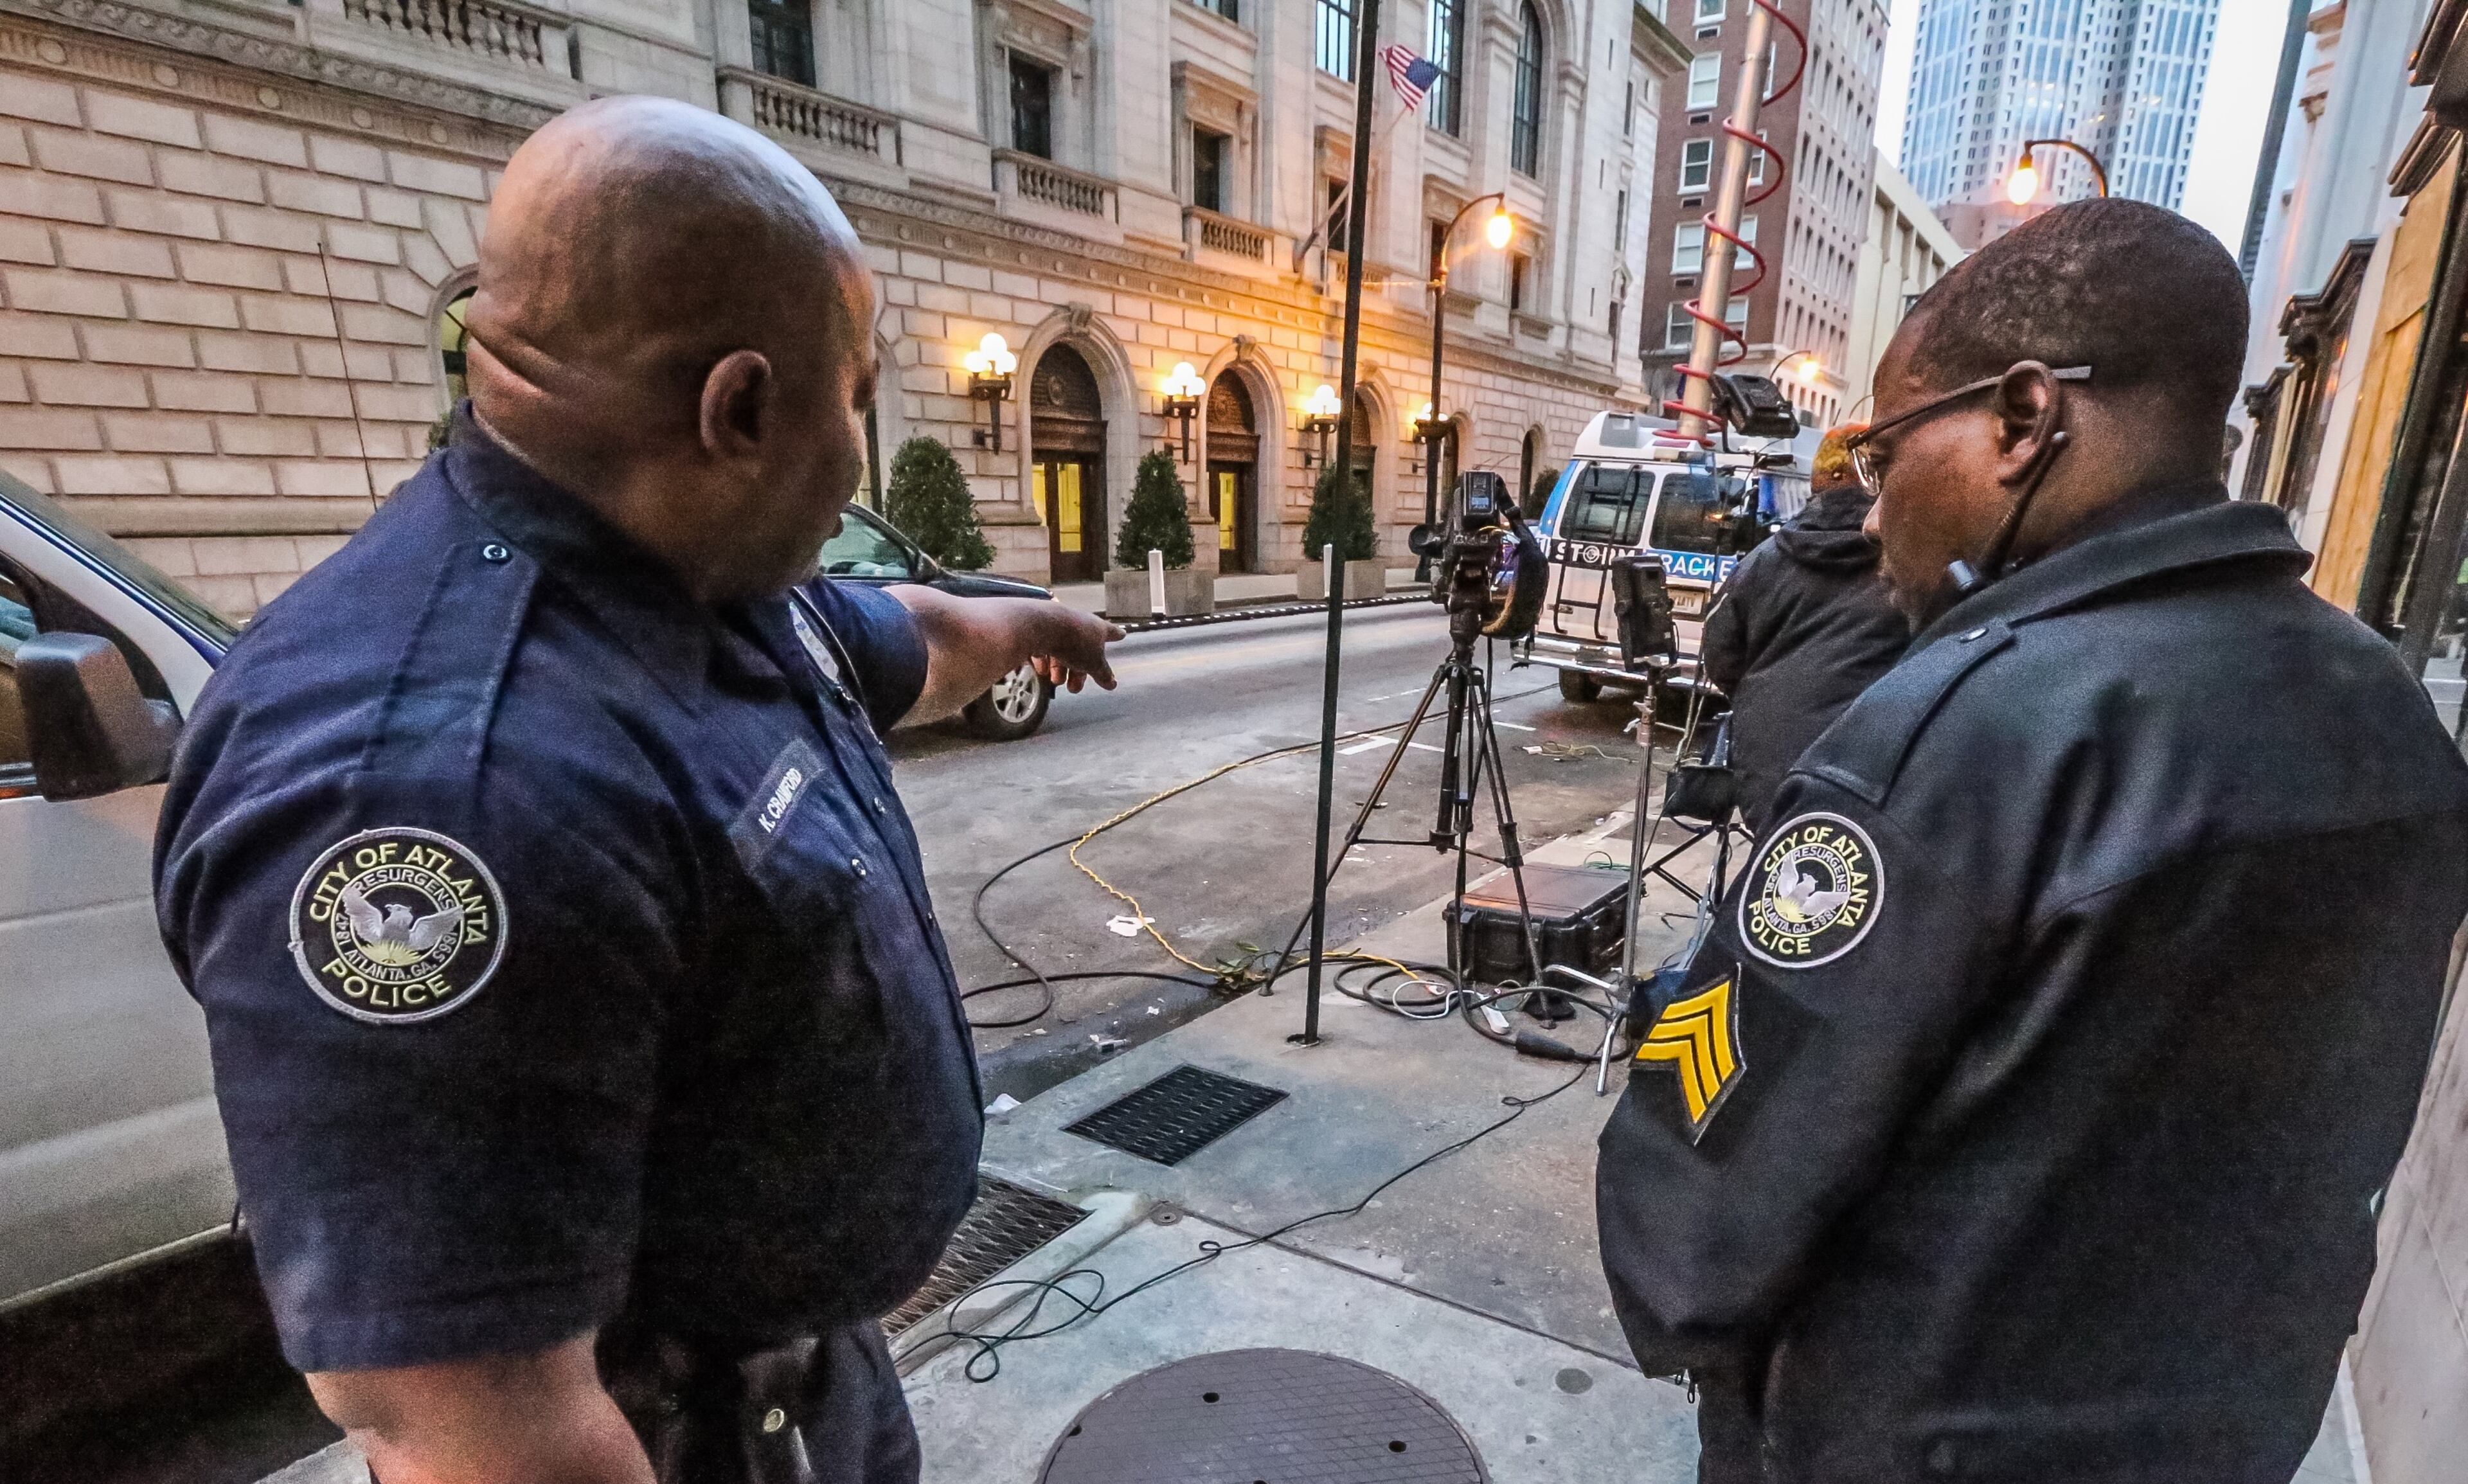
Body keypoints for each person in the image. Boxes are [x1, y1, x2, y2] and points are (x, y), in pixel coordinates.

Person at [154, 97, 1121, 1484]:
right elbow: (469, 1415)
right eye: (858, 397)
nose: (857, 442)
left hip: (807, 1387)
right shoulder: (448, 789)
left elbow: (904, 641)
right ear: (739, 407)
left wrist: (1030, 623)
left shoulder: (696, 570)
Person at [1596, 197, 2468, 1483]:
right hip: (2222, 1427)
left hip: (1900, 1432)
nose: (1877, 508)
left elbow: (1708, 1183)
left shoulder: (1961, 727)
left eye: (1887, 453)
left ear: (2022, 419)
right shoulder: (2384, 709)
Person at [1695, 424, 1908, 833]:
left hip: (1771, 771)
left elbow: (1720, 654)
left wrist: (1764, 695)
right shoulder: (1910, 560)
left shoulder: (1762, 562)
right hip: (1871, 774)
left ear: (1821, 478)